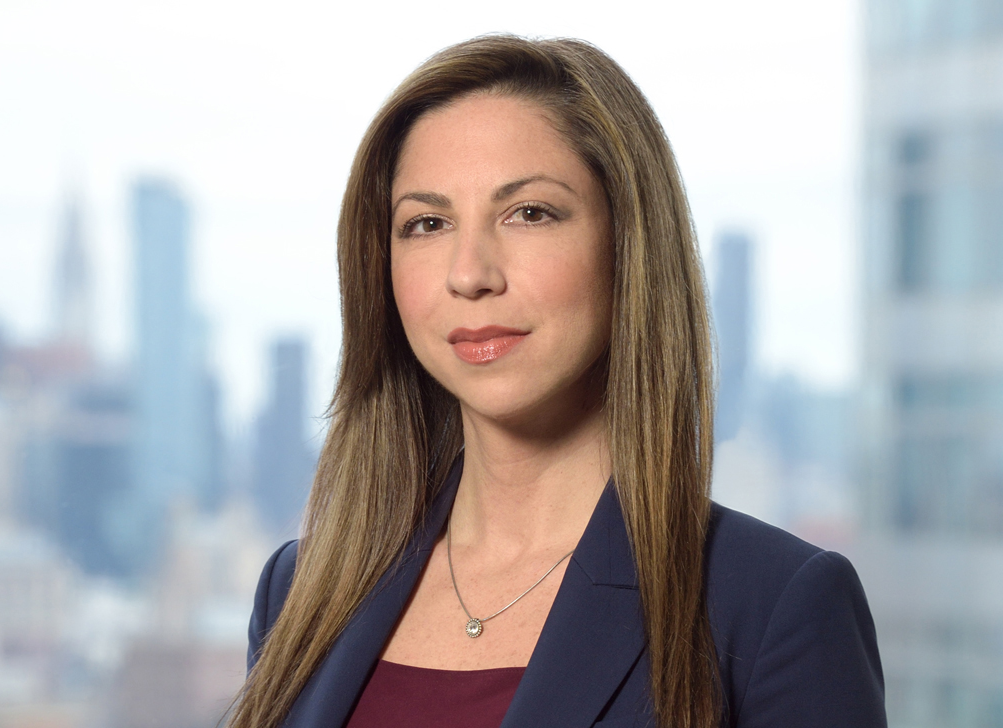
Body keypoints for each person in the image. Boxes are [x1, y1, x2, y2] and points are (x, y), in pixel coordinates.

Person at [230, 35, 887, 728]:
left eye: (529, 213)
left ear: (627, 243)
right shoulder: (299, 595)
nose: (469, 273)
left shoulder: (771, 607)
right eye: (427, 223)